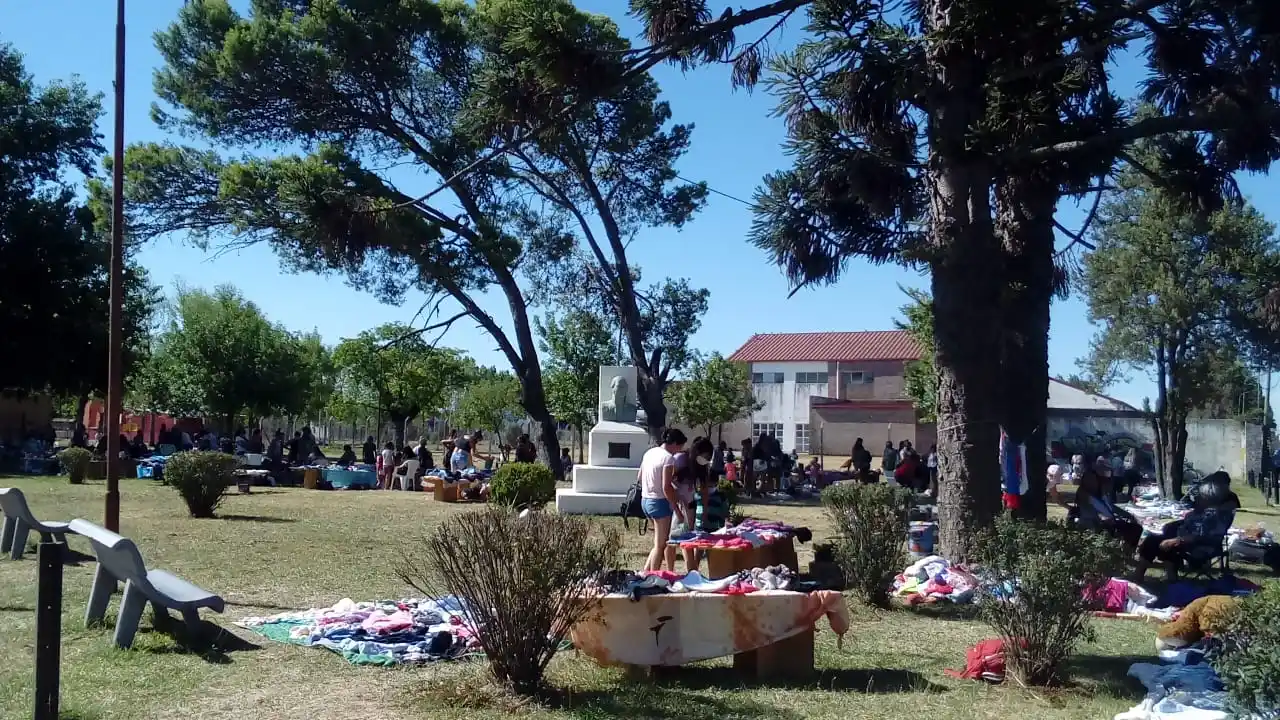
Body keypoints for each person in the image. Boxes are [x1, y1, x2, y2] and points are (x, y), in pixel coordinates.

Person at [1133, 479, 1232, 583]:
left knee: (1167, 544)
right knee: (1153, 539)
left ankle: (1170, 577)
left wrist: (1178, 540)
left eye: (1200, 496)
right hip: (1186, 539)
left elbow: (1203, 536)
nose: (1196, 499)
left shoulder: (1214, 516)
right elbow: (1186, 524)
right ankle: (1141, 574)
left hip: (1200, 545)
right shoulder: (1199, 512)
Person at [640, 428, 688, 572]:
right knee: (660, 545)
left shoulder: (649, 453)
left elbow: (639, 476)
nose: (679, 451)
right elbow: (666, 487)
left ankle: (645, 572)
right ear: (674, 443)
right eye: (680, 447)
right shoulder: (668, 458)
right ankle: (653, 576)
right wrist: (677, 510)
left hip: (645, 499)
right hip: (659, 502)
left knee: (657, 542)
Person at [1076, 458, 1142, 548]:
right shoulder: (1084, 494)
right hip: (1094, 524)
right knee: (1129, 530)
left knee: (1136, 528)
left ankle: (1128, 551)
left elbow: (1111, 507)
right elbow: (1090, 512)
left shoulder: (1101, 492)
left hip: (1108, 521)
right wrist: (1103, 517)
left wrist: (1129, 515)